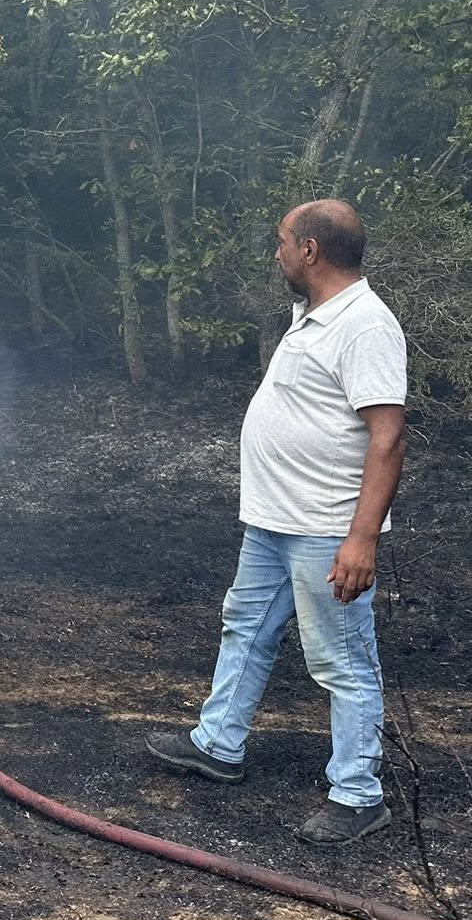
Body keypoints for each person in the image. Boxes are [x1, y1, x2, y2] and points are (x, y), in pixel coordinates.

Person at [146, 200, 408, 847]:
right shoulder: (314, 315)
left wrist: (361, 539)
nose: (277, 252)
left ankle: (358, 794)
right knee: (246, 629)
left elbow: (389, 437)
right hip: (273, 522)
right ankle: (218, 744)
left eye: (283, 241)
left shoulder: (366, 325)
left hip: (324, 526)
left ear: (311, 250)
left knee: (343, 659)